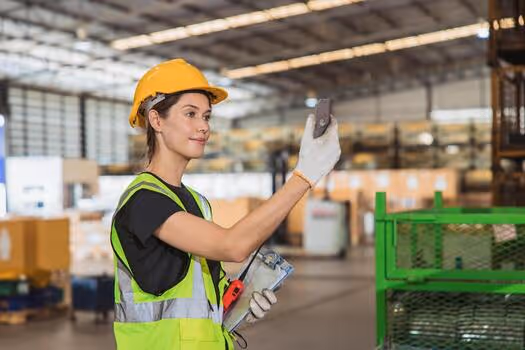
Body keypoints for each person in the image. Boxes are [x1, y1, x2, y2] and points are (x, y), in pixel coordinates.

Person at [110, 58, 341, 350]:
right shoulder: (143, 201)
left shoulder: (195, 202)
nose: (203, 127)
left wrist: (239, 306)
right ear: (156, 120)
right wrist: (303, 176)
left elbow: (201, 298)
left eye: (206, 116)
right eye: (190, 114)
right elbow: (233, 246)